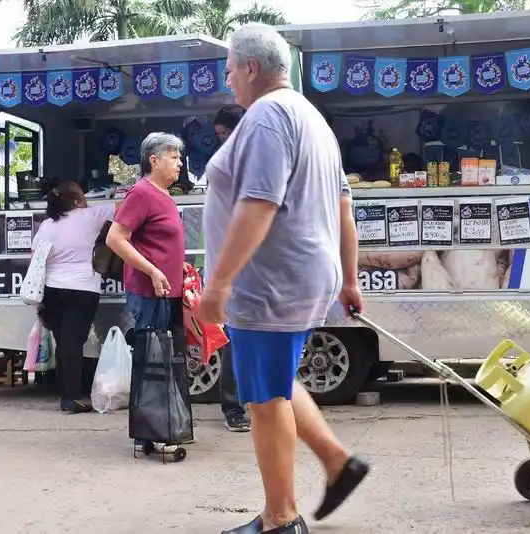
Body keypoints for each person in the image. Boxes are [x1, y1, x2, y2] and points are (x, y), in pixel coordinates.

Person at [200, 24, 369, 534]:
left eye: (230, 69)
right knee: (275, 380)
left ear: (251, 67)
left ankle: (281, 518)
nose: (228, 79)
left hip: (269, 282)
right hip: (299, 276)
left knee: (264, 400)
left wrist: (219, 283)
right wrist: (348, 278)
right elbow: (344, 208)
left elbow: (259, 203)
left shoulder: (268, 116)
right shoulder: (311, 118)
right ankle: (337, 461)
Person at [105, 132, 189, 452]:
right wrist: (153, 270)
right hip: (149, 292)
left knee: (164, 360)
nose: (180, 163)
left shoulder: (163, 194)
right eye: (173, 157)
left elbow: (159, 241)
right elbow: (116, 239)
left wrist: (176, 265)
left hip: (168, 291)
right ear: (154, 160)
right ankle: (148, 432)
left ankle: (161, 426)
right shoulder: (141, 193)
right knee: (151, 360)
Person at [33, 181, 118, 413]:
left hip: (51, 290)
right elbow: (124, 206)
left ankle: (66, 394)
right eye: (84, 196)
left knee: (63, 342)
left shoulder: (47, 226)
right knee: (73, 343)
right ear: (77, 201)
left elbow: (36, 256)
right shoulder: (90, 216)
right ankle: (70, 398)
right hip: (82, 288)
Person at [210, 106, 251, 433]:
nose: (222, 140)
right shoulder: (225, 166)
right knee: (235, 342)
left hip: (255, 269)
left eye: (225, 133)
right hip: (233, 269)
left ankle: (254, 404)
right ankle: (233, 407)